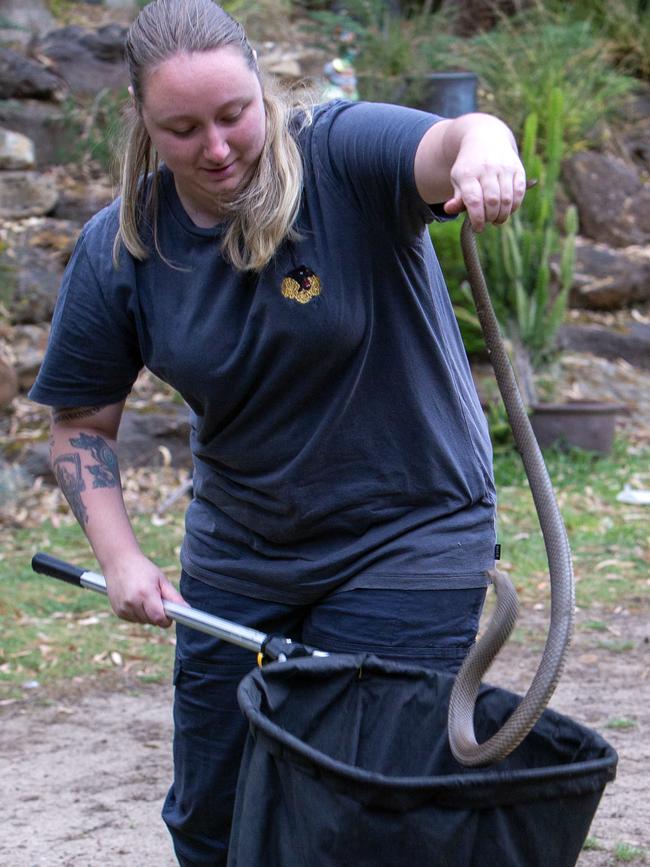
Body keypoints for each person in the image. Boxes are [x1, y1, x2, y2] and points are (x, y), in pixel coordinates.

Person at [29, 0, 527, 862]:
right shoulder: (123, 247)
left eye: (233, 115)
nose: (216, 147)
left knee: (366, 806)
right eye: (182, 129)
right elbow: (81, 424)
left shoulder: (339, 155)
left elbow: (451, 142)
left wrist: (487, 146)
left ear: (262, 88)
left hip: (408, 532)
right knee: (213, 813)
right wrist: (121, 557)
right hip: (243, 547)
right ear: (144, 125)